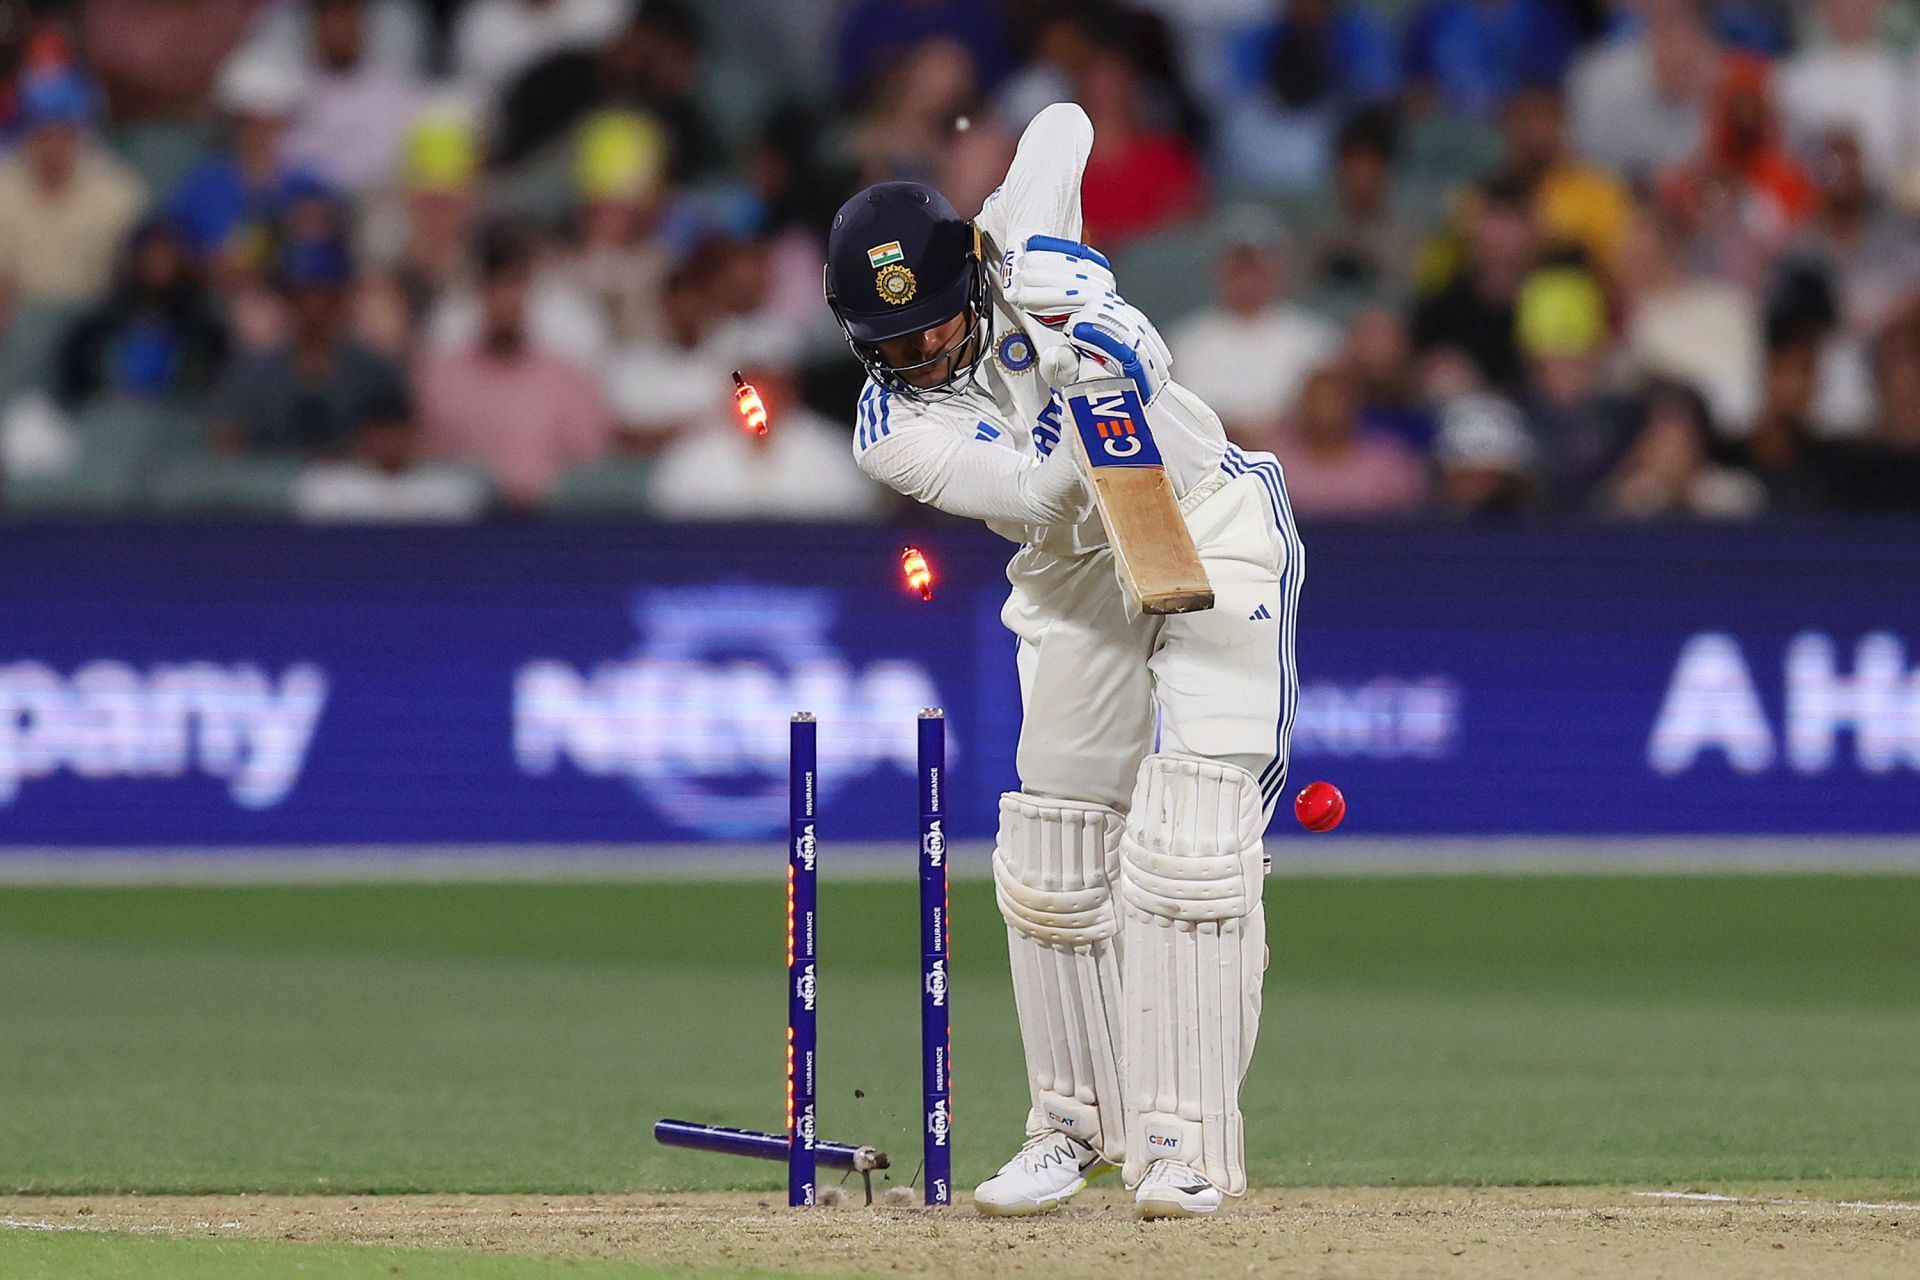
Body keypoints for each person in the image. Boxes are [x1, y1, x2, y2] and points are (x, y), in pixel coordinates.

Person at [823, 103, 1300, 1219]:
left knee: (1190, 838)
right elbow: (1040, 495)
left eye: (936, 326)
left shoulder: (1011, 254)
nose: (924, 353)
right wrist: (1086, 382)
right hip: (1072, 563)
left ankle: (1183, 1143)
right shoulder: (887, 426)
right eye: (894, 344)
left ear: (968, 282)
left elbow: (1068, 122)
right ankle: (1072, 1126)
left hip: (1206, 515)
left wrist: (1087, 302)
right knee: (1049, 852)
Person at [416, 224, 611, 509]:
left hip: (549, 528)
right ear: (480, 294)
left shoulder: (565, 379)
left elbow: (589, 463)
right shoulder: (440, 379)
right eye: (496, 288)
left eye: (515, 288)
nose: (506, 301)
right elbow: (428, 465)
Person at [0, 69, 146, 307]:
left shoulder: (117, 192)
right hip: (18, 319)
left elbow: (134, 277)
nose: (54, 146)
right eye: (44, 134)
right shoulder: (4, 187)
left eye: (65, 134)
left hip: (91, 317)